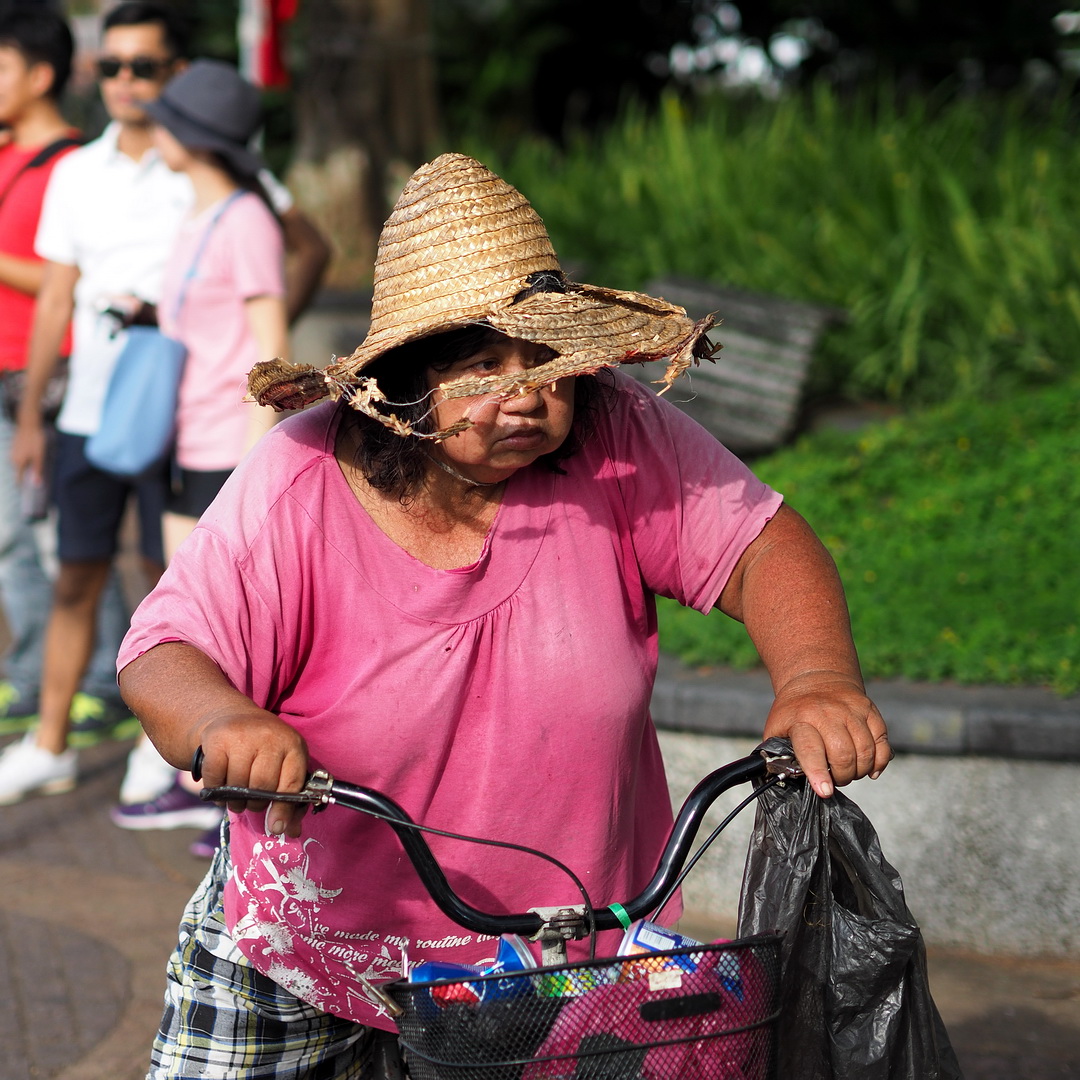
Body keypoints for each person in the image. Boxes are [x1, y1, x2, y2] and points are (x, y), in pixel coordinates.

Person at [118, 153, 892, 1076]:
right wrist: (222, 722)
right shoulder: (300, 476)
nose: (527, 395)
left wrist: (816, 679)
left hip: (547, 959)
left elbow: (762, 547)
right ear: (404, 381)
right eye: (484, 365)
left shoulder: (616, 433)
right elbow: (165, 649)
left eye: (546, 361)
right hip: (307, 947)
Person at [0, 1, 328, 806]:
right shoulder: (88, 171)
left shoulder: (225, 183)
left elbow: (291, 271)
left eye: (141, 67)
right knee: (81, 574)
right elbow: (59, 298)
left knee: (182, 586)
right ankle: (58, 743)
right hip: (105, 412)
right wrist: (36, 414)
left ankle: (179, 758)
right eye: (109, 66)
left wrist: (253, 383)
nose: (123, 82)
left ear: (177, 77)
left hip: (195, 427)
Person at [108, 59, 288, 845]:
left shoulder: (246, 220)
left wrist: (255, 464)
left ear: (198, 136)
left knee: (230, 624)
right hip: (186, 439)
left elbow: (271, 349)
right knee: (190, 618)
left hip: (228, 446)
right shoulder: (199, 214)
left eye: (170, 118)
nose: (156, 126)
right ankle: (205, 784)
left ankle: (241, 795)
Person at [0, 6, 134, 748]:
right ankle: (30, 676)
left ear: (41, 75)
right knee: (12, 538)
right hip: (6, 373)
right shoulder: (7, 157)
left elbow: (63, 282)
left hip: (50, 377)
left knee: (70, 541)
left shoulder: (74, 167)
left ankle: (100, 684)